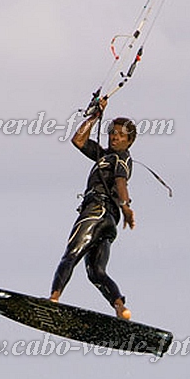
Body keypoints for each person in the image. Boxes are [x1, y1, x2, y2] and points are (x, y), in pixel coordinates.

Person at [49, 98, 136, 320]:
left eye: (120, 135)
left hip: (97, 211)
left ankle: (53, 299)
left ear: (129, 141)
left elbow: (120, 182)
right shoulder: (103, 155)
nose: (115, 137)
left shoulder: (121, 158)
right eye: (113, 133)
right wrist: (95, 115)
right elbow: (78, 140)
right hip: (109, 222)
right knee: (97, 273)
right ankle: (121, 308)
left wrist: (126, 206)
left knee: (71, 254)